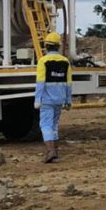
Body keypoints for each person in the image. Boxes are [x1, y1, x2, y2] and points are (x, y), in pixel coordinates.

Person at [35, 32, 72, 163]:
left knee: (45, 124)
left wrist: (37, 100)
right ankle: (55, 151)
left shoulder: (43, 61)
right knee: (55, 124)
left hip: (46, 99)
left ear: (46, 46)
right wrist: (68, 100)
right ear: (58, 46)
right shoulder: (65, 61)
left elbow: (40, 82)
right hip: (59, 99)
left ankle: (50, 151)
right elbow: (68, 83)